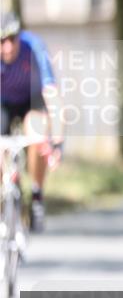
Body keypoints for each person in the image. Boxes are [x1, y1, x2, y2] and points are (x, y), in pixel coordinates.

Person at [1, 14, 63, 232]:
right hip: (4, 104)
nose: (8, 47)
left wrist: (57, 140)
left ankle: (36, 194)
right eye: (1, 42)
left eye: (12, 39)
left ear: (20, 36)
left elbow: (52, 94)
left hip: (32, 100)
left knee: (36, 131)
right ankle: (5, 196)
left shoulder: (34, 47)